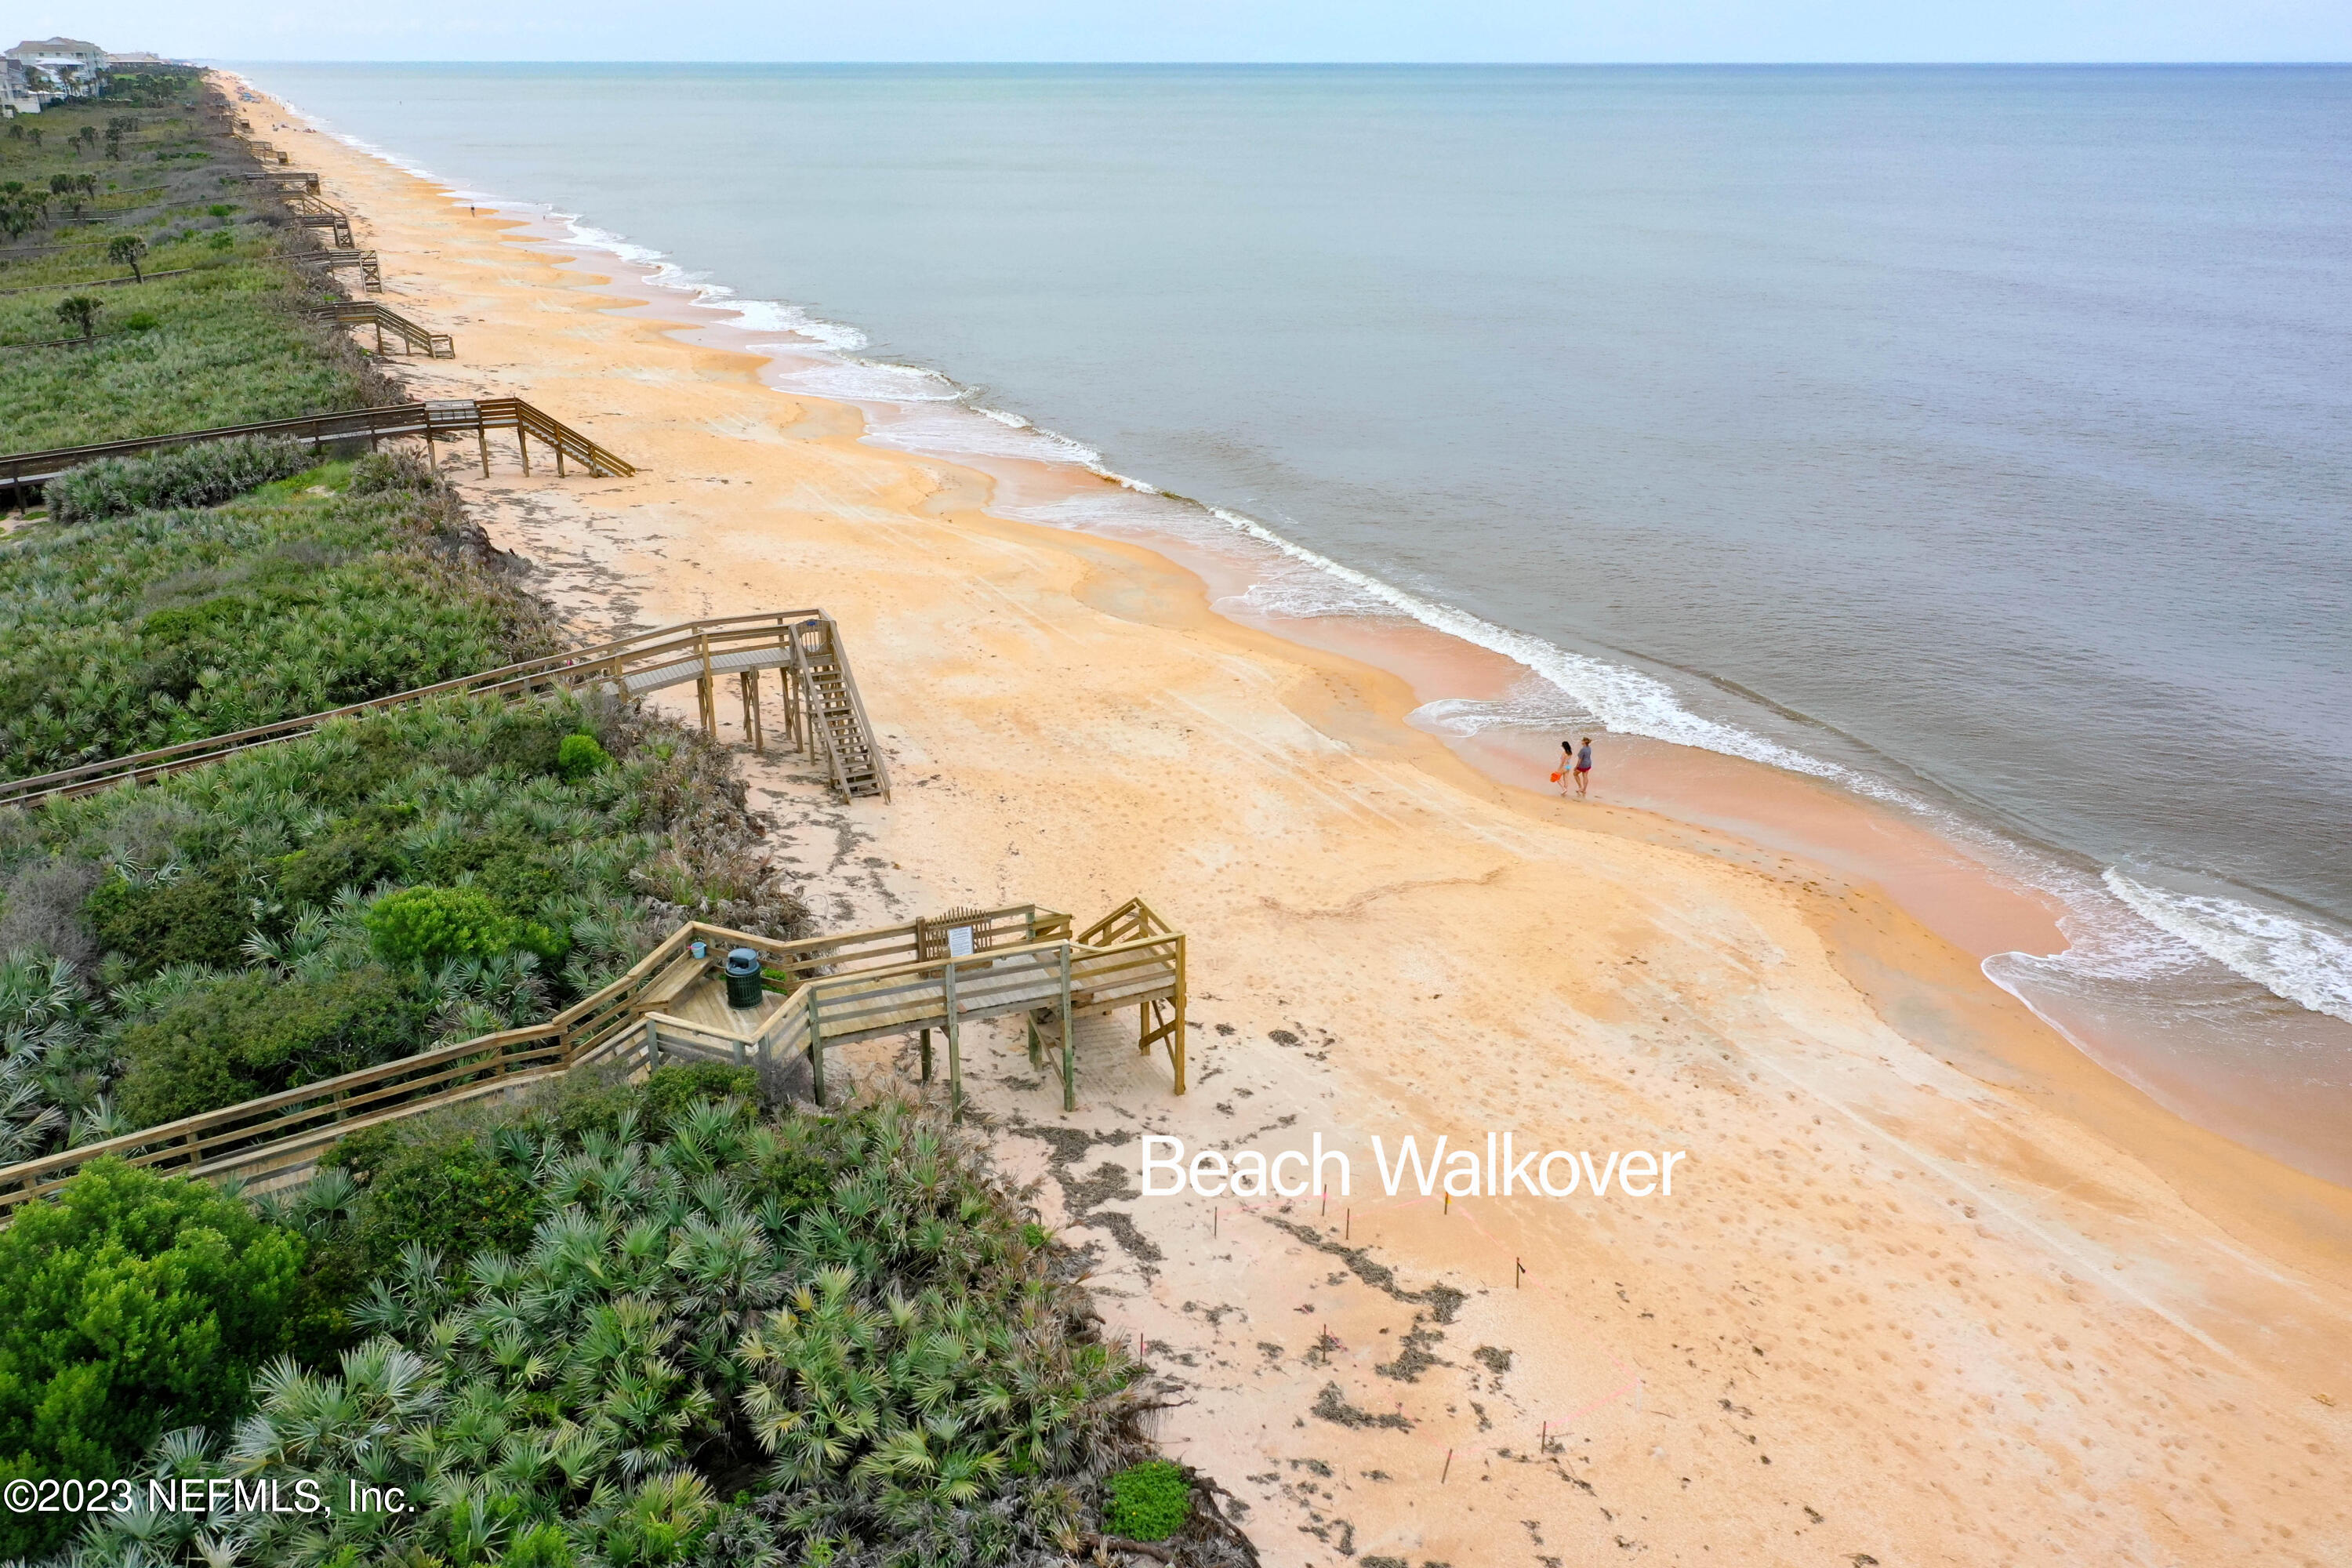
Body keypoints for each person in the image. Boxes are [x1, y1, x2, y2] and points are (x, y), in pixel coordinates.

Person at [1573, 735, 1594, 799]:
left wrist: (1576, 767)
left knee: (1575, 774)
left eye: (1582, 740)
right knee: (1585, 776)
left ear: (1584, 742)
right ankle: (1584, 790)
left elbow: (1580, 760)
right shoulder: (1589, 748)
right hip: (1589, 763)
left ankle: (1580, 787)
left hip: (1583, 765)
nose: (1581, 741)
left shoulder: (1583, 749)